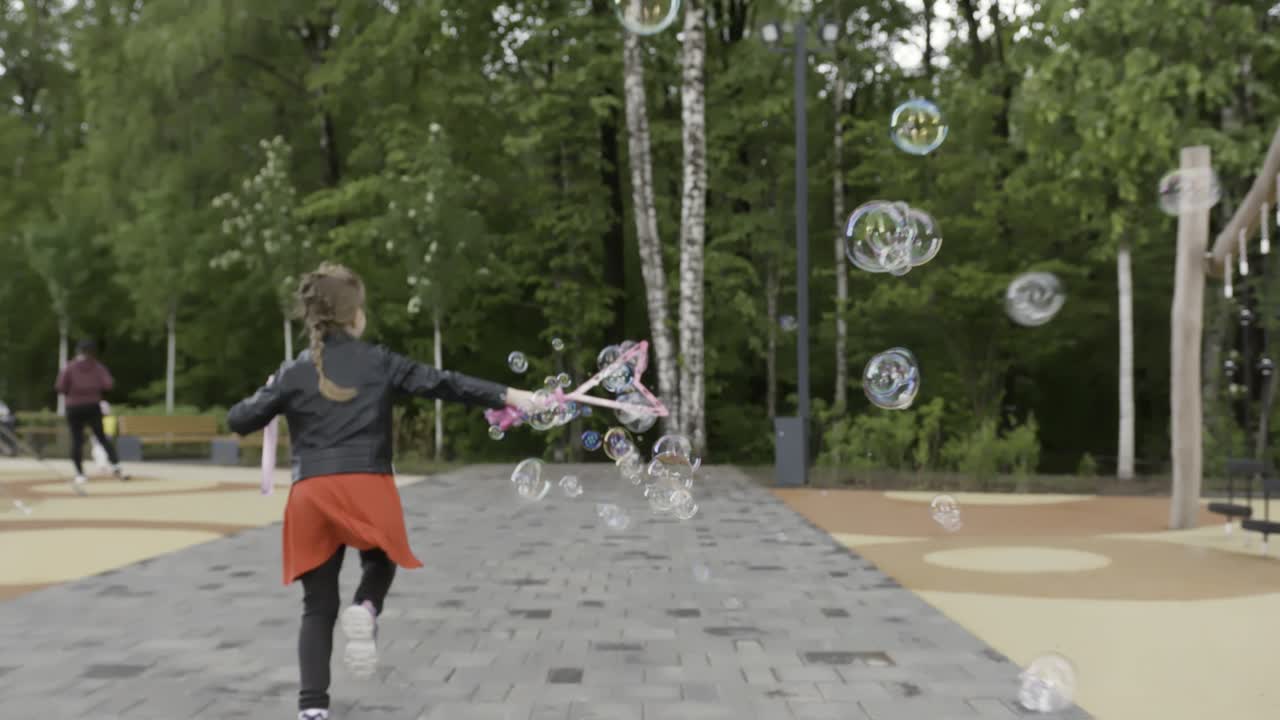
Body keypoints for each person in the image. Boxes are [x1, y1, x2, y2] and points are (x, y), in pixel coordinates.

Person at [226, 262, 537, 720]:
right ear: (355, 316)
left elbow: (240, 420)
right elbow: (444, 383)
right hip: (367, 485)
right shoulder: (379, 361)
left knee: (317, 606)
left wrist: (269, 389)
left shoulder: (293, 372)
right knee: (378, 560)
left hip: (311, 493)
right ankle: (367, 607)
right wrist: (511, 395)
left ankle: (312, 709)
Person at [54, 339, 128, 493]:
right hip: (93, 405)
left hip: (73, 406)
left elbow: (60, 387)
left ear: (78, 351)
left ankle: (80, 473)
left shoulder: (69, 367)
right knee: (101, 436)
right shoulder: (98, 367)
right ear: (93, 352)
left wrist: (72, 392)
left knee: (77, 439)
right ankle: (116, 466)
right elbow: (108, 385)